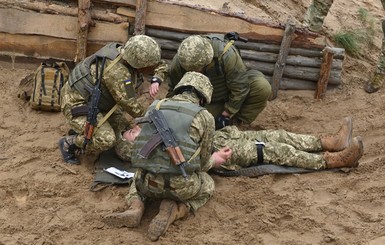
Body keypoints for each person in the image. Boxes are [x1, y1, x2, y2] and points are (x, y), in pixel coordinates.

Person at [103, 71, 232, 241]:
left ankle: (136, 205)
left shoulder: (155, 106)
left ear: (179, 90)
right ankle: (178, 209)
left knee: (137, 177)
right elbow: (202, 161)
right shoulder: (205, 117)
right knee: (208, 183)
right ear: (202, 98)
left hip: (149, 183)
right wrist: (213, 160)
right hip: (182, 186)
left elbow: (141, 151)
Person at [58, 35, 168, 164]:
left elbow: (161, 65)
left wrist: (156, 80)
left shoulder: (127, 52)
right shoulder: (117, 72)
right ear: (137, 62)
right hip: (77, 103)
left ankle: (86, 131)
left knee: (124, 127)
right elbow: (130, 105)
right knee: (107, 140)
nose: (151, 68)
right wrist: (151, 118)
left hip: (99, 100)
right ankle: (70, 142)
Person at [166, 33, 272, 130]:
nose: (198, 72)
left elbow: (239, 87)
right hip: (206, 99)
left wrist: (226, 114)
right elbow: (174, 91)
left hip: (229, 91)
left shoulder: (226, 54)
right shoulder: (181, 61)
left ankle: (235, 124)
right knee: (197, 125)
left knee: (262, 87)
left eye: (200, 68)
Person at [212, 117, 363, 171]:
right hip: (209, 151)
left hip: (216, 137)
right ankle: (332, 161)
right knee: (275, 150)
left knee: (278, 136)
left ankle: (329, 143)